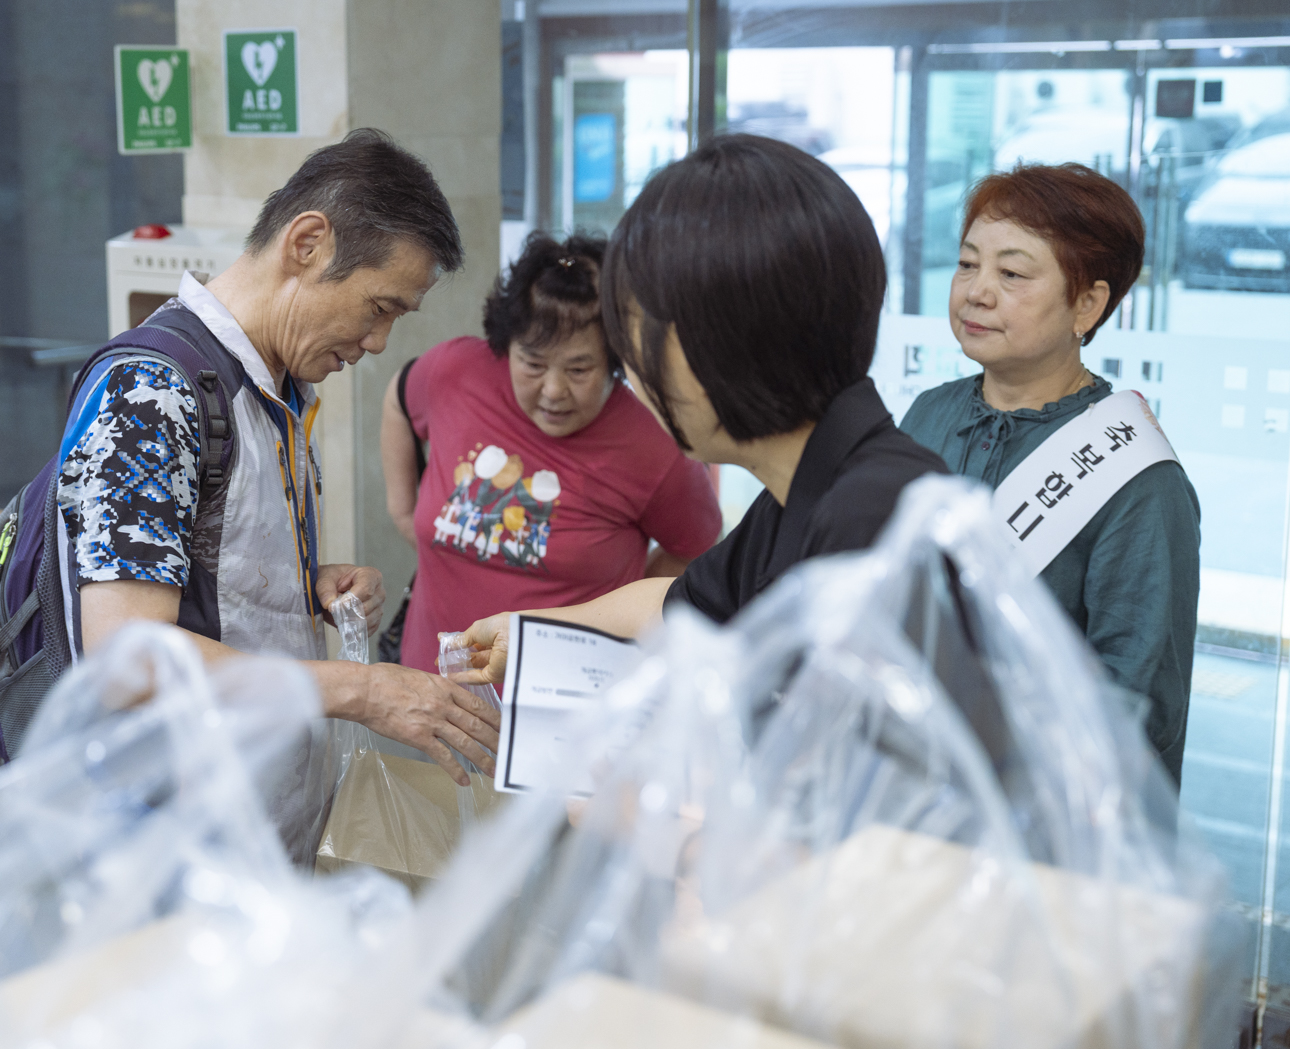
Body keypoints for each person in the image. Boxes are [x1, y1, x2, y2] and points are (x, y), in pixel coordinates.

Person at [62, 129, 498, 785]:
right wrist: (364, 690)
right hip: (175, 820)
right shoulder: (152, 392)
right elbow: (128, 660)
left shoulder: (272, 385)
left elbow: (204, 568)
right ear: (307, 243)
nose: (379, 342)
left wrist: (296, 587)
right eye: (379, 308)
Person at [453, 135, 946, 676]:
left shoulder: (875, 519)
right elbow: (677, 607)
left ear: (722, 336)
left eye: (637, 337)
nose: (633, 371)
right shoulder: (804, 492)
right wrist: (524, 633)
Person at [896, 162, 1199, 786]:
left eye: (1011, 274)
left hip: (1043, 809)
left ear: (1087, 303)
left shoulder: (1139, 480)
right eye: (967, 264)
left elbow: (1138, 707)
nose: (977, 292)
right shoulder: (929, 414)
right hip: (912, 785)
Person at [379, 232, 722, 673]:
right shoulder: (455, 372)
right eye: (533, 364)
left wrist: (625, 606)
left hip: (564, 694)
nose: (554, 390)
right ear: (507, 346)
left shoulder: (655, 445)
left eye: (579, 369)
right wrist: (404, 511)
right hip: (430, 683)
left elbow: (695, 546)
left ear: (616, 360)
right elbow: (399, 398)